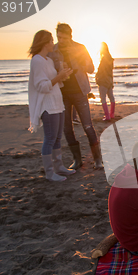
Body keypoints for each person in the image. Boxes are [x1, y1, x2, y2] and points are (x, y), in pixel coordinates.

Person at [48, 23, 103, 170]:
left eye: (64, 38)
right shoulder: (53, 50)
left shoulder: (80, 48)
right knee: (67, 128)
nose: (61, 41)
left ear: (70, 36)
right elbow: (49, 72)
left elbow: (91, 69)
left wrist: (80, 62)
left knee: (87, 126)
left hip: (80, 92)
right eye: (59, 37)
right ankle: (77, 160)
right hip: (62, 93)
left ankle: (98, 159)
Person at [28, 30, 75, 181]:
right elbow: (41, 86)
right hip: (47, 106)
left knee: (57, 137)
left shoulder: (47, 60)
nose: (52, 43)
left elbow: (54, 82)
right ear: (44, 43)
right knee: (50, 138)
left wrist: (63, 75)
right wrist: (58, 77)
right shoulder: (37, 60)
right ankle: (49, 173)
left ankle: (59, 167)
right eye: (50, 41)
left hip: (57, 103)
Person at [95, 42, 115, 121]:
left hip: (103, 80)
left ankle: (107, 116)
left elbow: (100, 70)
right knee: (111, 97)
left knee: (103, 98)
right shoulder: (110, 58)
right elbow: (110, 71)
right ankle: (111, 114)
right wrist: (112, 82)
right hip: (109, 80)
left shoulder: (104, 59)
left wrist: (97, 77)